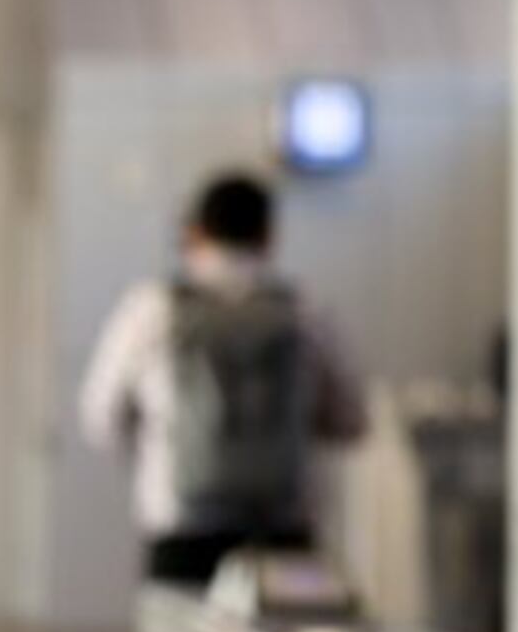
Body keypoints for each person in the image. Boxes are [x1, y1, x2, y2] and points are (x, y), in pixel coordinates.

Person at [79, 170, 369, 588]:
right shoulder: (306, 310)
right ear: (269, 236)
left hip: (181, 529)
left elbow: (100, 419)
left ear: (194, 233)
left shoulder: (152, 309)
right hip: (282, 529)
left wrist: (156, 447)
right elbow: (351, 420)